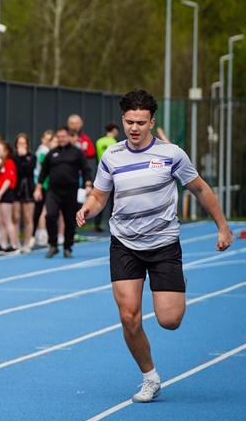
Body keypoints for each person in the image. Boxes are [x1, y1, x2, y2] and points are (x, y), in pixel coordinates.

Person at [76, 89, 232, 403]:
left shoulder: (172, 154)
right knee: (129, 316)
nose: (134, 128)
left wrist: (223, 226)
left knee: (169, 321)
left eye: (141, 122)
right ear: (123, 120)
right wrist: (87, 209)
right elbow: (99, 196)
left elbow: (200, 189)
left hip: (163, 245)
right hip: (124, 243)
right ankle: (150, 377)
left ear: (152, 122)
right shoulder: (112, 157)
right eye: (129, 122)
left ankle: (177, 281)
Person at [34, 126, 91, 258]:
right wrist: (38, 188)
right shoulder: (51, 153)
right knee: (50, 216)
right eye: (58, 137)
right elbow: (43, 172)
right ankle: (53, 245)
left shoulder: (77, 153)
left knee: (69, 220)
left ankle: (67, 247)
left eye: (63, 137)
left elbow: (86, 169)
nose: (61, 139)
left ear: (68, 137)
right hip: (54, 191)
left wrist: (88, 184)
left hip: (71, 191)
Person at [0, 140, 20, 253]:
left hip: (6, 193)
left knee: (7, 220)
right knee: (0, 220)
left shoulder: (9, 163)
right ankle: (3, 244)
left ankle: (13, 244)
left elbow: (8, 180)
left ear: (6, 151)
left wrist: (0, 194)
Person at [12, 133, 37, 253]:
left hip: (28, 189)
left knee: (27, 217)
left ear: (27, 145)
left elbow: (28, 170)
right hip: (16, 190)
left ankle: (27, 243)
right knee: (16, 217)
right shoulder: (13, 157)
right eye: (19, 143)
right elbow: (16, 171)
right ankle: (16, 242)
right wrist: (19, 158)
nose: (21, 145)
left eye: (23, 143)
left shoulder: (32, 157)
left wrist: (23, 158)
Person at [93, 122, 119, 232]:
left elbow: (96, 157)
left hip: (102, 173)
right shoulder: (114, 142)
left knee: (100, 199)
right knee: (114, 199)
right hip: (112, 173)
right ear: (114, 130)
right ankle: (113, 222)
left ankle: (97, 223)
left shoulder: (99, 141)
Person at [32, 130, 54, 246]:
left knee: (43, 209)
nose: (48, 141)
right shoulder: (43, 151)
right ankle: (41, 233)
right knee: (42, 209)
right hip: (42, 183)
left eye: (50, 139)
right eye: (46, 138)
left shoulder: (43, 151)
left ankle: (40, 233)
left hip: (44, 182)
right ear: (42, 139)